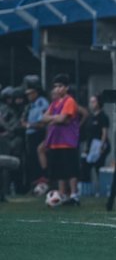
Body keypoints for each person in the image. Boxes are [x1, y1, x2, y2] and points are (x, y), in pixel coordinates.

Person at [40, 74, 82, 206]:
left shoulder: (69, 101)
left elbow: (62, 119)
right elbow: (44, 118)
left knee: (71, 170)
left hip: (68, 141)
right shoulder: (55, 103)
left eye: (60, 86)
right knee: (60, 172)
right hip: (56, 142)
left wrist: (54, 118)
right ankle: (62, 194)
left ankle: (74, 195)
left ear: (66, 87)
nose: (57, 89)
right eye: (56, 87)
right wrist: (56, 118)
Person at [79, 94, 110, 196]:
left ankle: (101, 190)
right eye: (90, 102)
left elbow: (104, 132)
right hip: (90, 146)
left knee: (98, 167)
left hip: (99, 145)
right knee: (85, 167)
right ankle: (86, 190)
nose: (91, 104)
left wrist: (102, 146)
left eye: (94, 102)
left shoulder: (103, 117)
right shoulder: (90, 117)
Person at [22, 84, 49, 189]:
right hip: (30, 135)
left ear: (36, 93)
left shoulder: (42, 103)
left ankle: (43, 181)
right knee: (31, 160)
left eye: (30, 93)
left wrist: (28, 125)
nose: (28, 96)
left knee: (38, 157)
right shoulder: (30, 105)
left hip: (38, 134)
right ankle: (35, 183)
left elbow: (42, 123)